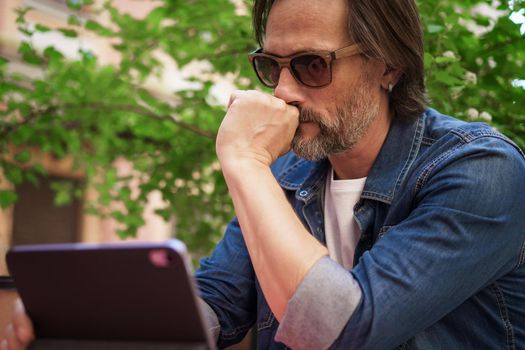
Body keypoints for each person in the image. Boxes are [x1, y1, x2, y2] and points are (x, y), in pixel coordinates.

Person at [4, 0, 525, 349]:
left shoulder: (481, 170)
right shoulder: (291, 174)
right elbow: (218, 299)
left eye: (311, 65)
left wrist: (245, 163)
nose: (283, 92)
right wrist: (91, 321)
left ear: (388, 65)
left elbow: (346, 331)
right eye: (270, 66)